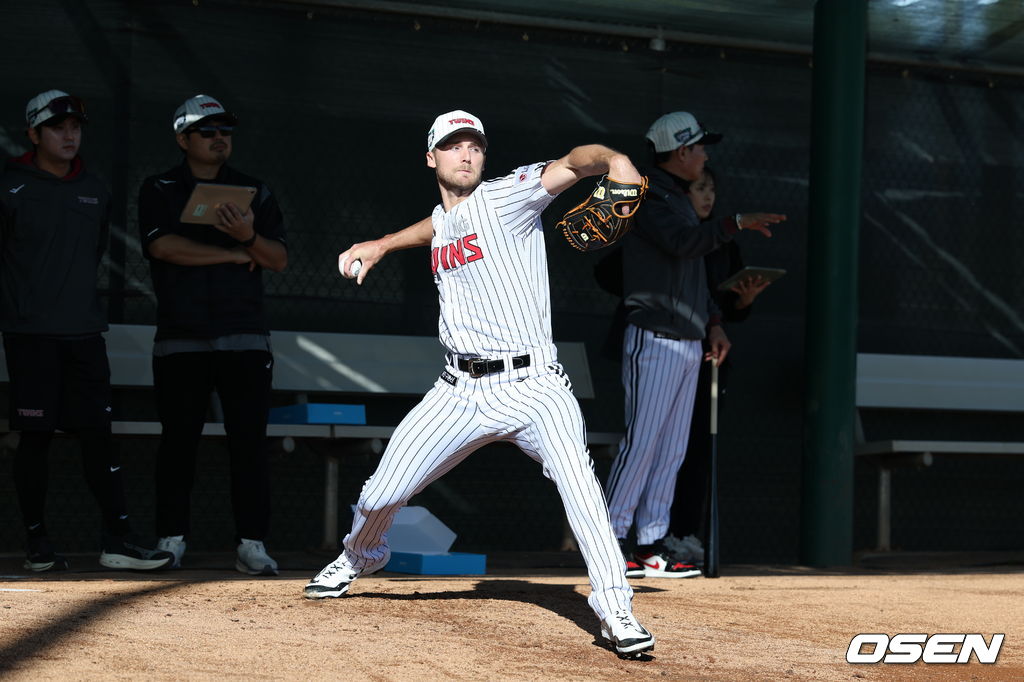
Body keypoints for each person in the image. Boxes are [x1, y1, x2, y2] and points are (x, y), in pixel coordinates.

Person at [305, 110, 655, 657]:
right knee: (380, 495)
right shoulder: (445, 220)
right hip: (458, 391)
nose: (465, 154)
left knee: (582, 492)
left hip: (534, 384)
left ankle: (617, 610)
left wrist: (614, 160)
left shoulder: (505, 196)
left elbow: (572, 163)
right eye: (453, 146)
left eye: (474, 146)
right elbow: (436, 226)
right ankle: (361, 554)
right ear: (432, 157)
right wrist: (381, 243)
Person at [604, 111, 784, 578]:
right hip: (655, 336)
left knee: (671, 449)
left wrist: (716, 323)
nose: (705, 156)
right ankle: (609, 540)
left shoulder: (681, 197)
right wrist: (736, 222)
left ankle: (649, 543)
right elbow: (684, 243)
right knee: (641, 444)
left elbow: (694, 273)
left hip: (687, 338)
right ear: (682, 152)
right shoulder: (646, 193)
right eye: (700, 148)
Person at [0, 89, 174, 572]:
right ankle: (36, 542)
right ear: (33, 134)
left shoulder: (95, 190)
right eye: (58, 126)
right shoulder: (9, 187)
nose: (69, 134)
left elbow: (92, 253)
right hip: (29, 337)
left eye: (76, 125)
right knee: (35, 437)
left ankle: (117, 540)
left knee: (99, 434)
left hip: (84, 336)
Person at [137, 94, 287, 575]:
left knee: (249, 442)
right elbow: (163, 247)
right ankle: (172, 539)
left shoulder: (253, 191)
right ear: (183, 139)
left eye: (225, 130)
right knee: (178, 442)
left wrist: (247, 237)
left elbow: (277, 259)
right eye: (207, 131)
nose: (219, 138)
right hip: (180, 337)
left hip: (244, 336)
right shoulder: (158, 187)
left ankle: (252, 544)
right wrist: (231, 254)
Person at [666, 167, 774, 564]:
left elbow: (728, 310)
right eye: (699, 188)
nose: (707, 195)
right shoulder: (670, 233)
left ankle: (684, 535)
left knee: (698, 447)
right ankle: (648, 536)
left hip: (712, 356)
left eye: (712, 187)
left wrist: (743, 301)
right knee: (663, 447)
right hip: (667, 348)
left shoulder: (723, 243)